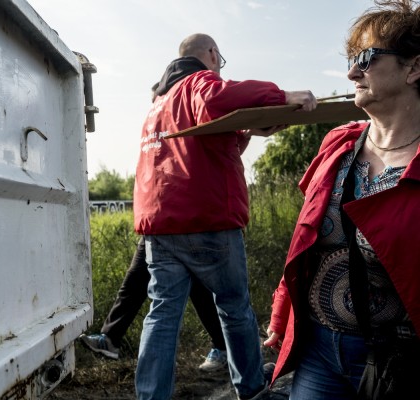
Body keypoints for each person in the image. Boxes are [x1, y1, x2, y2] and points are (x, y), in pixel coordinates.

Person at [133, 32, 317, 400]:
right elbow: (217, 96)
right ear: (212, 54)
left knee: (163, 313)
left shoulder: (159, 103)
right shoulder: (198, 81)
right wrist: (282, 97)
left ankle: (151, 395)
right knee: (234, 308)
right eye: (219, 60)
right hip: (207, 221)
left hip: (159, 225)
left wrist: (247, 132)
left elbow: (208, 144)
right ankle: (251, 388)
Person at [264, 1, 420, 399]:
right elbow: (306, 239)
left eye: (366, 58)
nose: (352, 72)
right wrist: (282, 311)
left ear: (413, 68)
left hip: (399, 362)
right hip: (319, 350)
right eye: (352, 60)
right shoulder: (340, 144)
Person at [79, 236, 229, 372]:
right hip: (157, 223)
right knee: (135, 278)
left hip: (187, 224)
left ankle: (223, 346)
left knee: (198, 287)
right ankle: (110, 338)